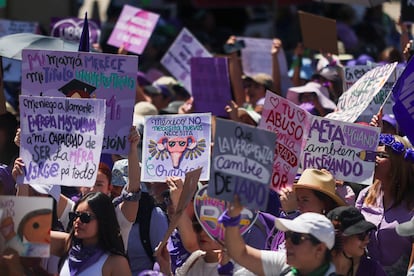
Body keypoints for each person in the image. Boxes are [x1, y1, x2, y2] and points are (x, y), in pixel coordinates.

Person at [223, 201, 336, 276]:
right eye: (288, 236)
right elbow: (240, 253)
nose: (287, 244)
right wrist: (233, 216)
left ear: (320, 249)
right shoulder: (284, 264)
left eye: (296, 238)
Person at [355, 133, 414, 275]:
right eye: (373, 154)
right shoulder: (365, 194)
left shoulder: (412, 202)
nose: (373, 159)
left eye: (381, 155)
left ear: (399, 163)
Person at [51, 192, 132, 275]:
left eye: (85, 217)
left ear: (103, 220)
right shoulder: (67, 245)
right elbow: (37, 234)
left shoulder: (117, 262)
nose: (77, 221)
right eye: (75, 216)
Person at [327, 206, 386, 276]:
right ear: (339, 236)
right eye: (361, 234)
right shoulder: (316, 268)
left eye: (367, 232)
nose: (367, 240)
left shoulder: (372, 269)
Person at [280, 168, 346, 216]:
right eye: (297, 200)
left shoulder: (332, 228)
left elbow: (297, 234)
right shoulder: (289, 216)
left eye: (305, 200)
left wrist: (291, 213)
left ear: (324, 203)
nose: (298, 206)